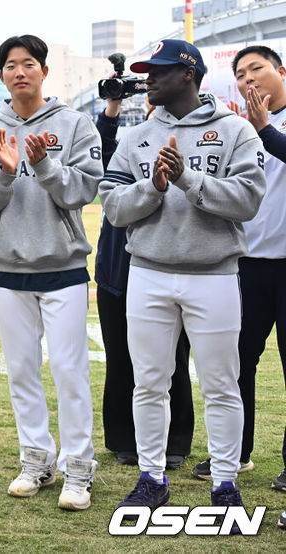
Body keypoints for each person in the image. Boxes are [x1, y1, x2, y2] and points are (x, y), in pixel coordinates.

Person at [99, 39, 264, 522]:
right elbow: (112, 206)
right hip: (148, 273)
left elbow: (248, 201)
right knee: (149, 383)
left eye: (159, 70)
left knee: (221, 384)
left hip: (213, 274)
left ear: (188, 74)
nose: (148, 79)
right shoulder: (137, 136)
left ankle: (226, 483)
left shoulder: (234, 130)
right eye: (146, 71)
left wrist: (189, 180)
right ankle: (151, 478)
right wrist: (153, 187)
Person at [0, 35, 101, 511]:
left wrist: (43, 165)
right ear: (1, 75)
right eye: (10, 65)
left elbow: (82, 191)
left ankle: (78, 468)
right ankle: (36, 460)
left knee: (69, 372)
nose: (19, 72)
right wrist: (4, 173)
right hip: (9, 270)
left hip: (63, 267)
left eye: (28, 64)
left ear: (44, 70)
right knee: (21, 371)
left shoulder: (75, 124)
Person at [188, 45, 286, 485]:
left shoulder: (260, 127)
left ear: (281, 71)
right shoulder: (238, 128)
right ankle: (234, 454)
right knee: (236, 363)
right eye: (241, 73)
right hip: (247, 263)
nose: (249, 79)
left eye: (257, 69)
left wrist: (265, 129)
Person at [95, 97, 194, 471]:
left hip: (166, 267)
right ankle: (124, 438)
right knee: (120, 357)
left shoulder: (182, 152)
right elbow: (101, 150)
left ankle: (175, 440)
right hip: (117, 271)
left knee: (173, 359)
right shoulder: (128, 146)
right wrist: (112, 110)